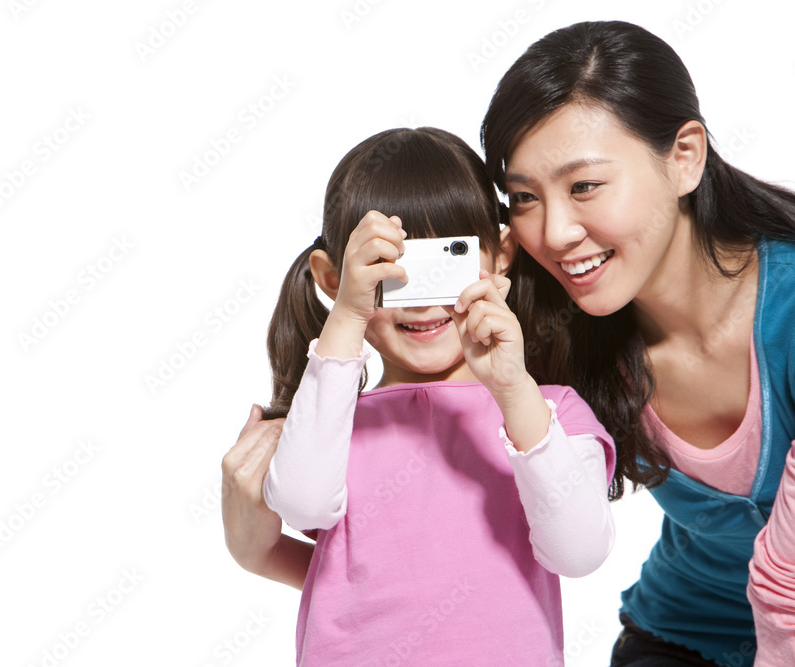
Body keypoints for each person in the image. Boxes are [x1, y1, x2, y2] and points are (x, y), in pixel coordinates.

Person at [227, 126, 617, 665]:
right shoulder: (330, 425)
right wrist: (347, 316)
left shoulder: (549, 412)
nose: (421, 302)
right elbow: (301, 501)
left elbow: (578, 552)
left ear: (500, 255)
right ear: (333, 278)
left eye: (446, 261)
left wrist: (512, 388)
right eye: (390, 273)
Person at [478, 20, 795, 667]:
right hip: (682, 635)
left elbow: (784, 587)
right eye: (523, 198)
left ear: (685, 156)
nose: (556, 231)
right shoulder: (558, 336)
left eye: (584, 185)